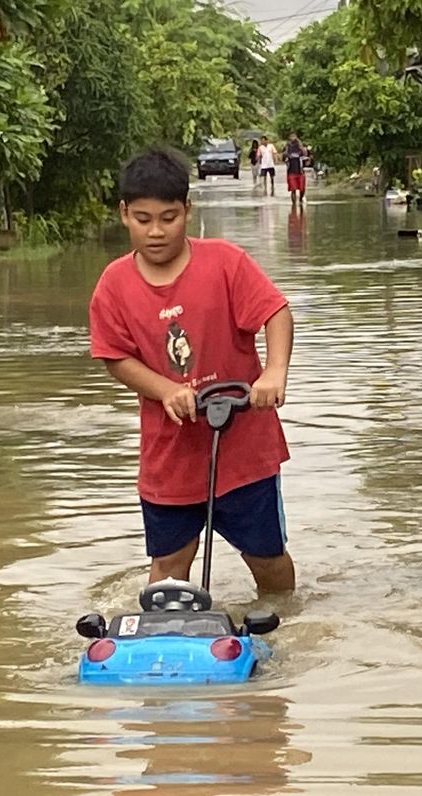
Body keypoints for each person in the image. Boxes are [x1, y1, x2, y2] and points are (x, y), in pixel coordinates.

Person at [88, 147, 296, 593]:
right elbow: (114, 356)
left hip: (243, 449)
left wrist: (274, 372)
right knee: (167, 566)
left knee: (267, 559)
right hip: (170, 454)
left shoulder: (225, 262)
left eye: (169, 217)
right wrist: (164, 389)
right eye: (143, 219)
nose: (157, 231)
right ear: (124, 214)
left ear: (188, 209)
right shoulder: (113, 284)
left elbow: (276, 312)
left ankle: (286, 626)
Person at [284, 132, 307, 204]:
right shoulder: (287, 146)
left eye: (294, 136)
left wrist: (301, 147)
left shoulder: (300, 145)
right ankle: (294, 205)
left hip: (300, 171)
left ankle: (300, 199)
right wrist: (286, 156)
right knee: (293, 189)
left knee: (302, 189)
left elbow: (305, 154)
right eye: (291, 136)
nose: (293, 138)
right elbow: (283, 156)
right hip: (291, 171)